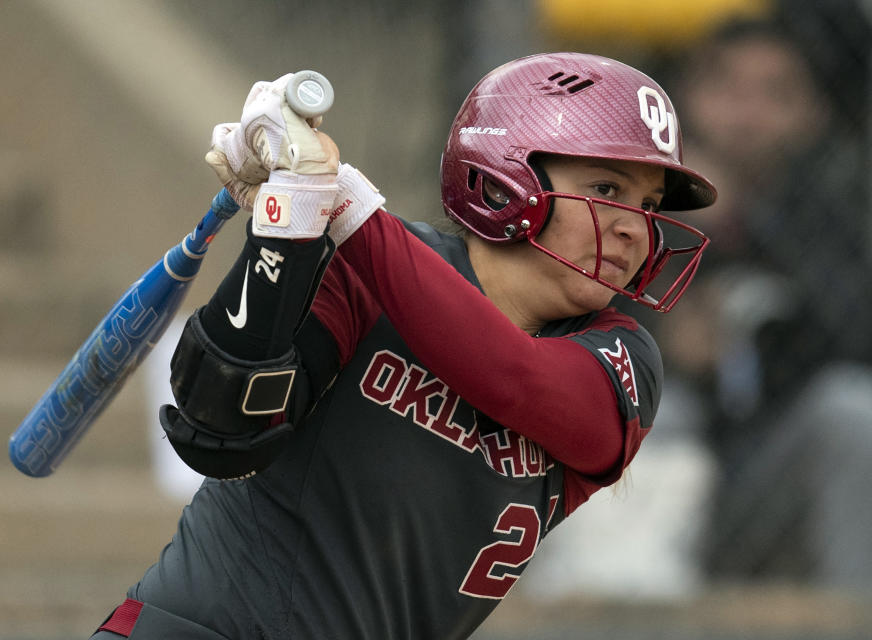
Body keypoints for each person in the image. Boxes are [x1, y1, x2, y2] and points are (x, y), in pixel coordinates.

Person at [89, 52, 715, 639]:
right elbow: (221, 426)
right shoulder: (366, 273)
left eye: (650, 204)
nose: (637, 227)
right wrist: (285, 227)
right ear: (504, 183)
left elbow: (513, 377)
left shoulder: (625, 357)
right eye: (607, 190)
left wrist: (345, 202)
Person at [654, 16, 872, 588]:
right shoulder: (628, 202)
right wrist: (668, 344)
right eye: (725, 89)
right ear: (681, 102)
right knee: (653, 409)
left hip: (771, 484)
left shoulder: (834, 217)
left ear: (813, 116)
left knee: (850, 412)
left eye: (776, 95)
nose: (746, 116)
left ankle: (851, 620)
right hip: (656, 486)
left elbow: (852, 343)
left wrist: (748, 220)